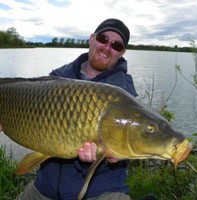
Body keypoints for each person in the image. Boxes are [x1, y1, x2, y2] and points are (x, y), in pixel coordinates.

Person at [14, 18, 156, 200]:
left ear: (122, 53)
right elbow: (28, 120)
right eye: (103, 39)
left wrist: (109, 158)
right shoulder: (57, 78)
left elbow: (132, 145)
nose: (107, 47)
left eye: (116, 45)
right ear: (92, 39)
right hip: (44, 188)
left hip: (100, 192)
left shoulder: (125, 98)